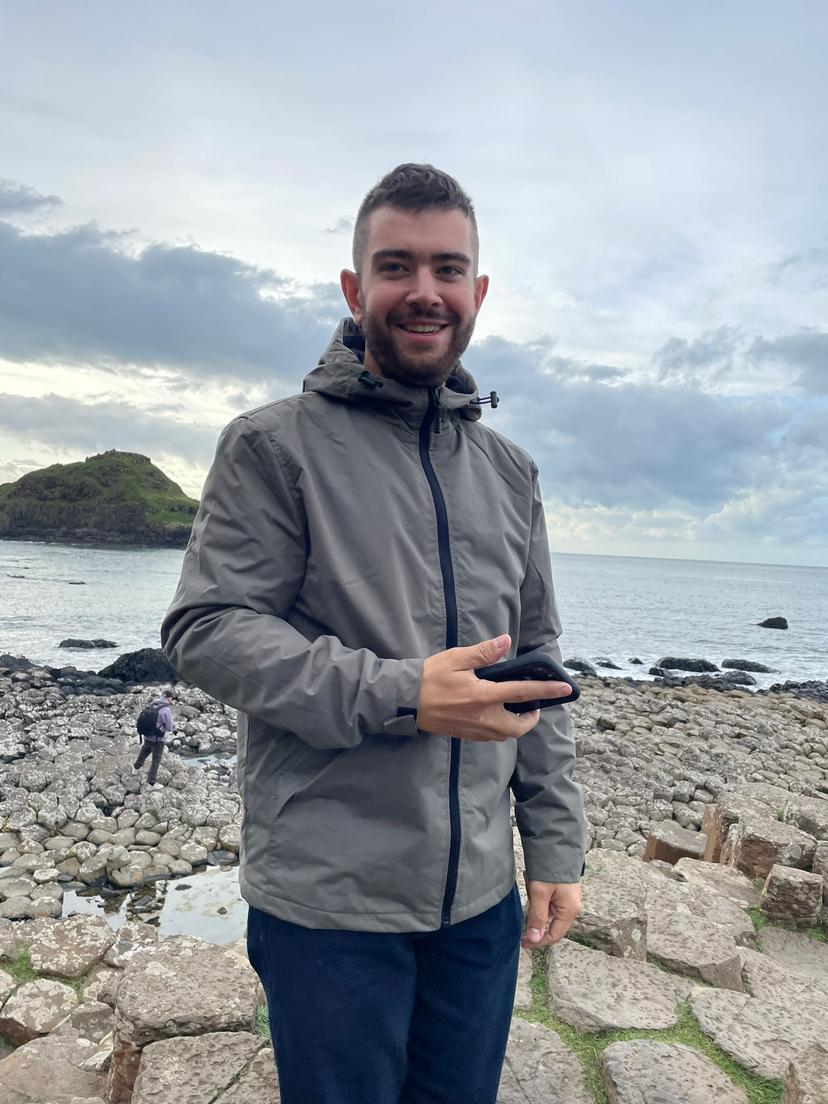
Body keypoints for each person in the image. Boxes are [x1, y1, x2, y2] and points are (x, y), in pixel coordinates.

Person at [161, 163, 586, 1104]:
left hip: (479, 902)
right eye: (396, 266)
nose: (423, 290)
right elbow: (206, 628)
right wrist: (404, 693)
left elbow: (543, 669)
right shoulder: (273, 445)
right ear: (356, 291)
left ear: (478, 293)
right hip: (328, 903)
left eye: (448, 268)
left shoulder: (510, 471)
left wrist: (554, 847)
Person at [133, 689, 175, 786]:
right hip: (158, 738)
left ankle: (136, 769)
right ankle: (151, 782)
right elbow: (169, 726)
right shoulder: (166, 709)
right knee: (156, 759)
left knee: (145, 750)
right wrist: (175, 728)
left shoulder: (154, 703)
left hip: (147, 733)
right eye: (171, 698)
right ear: (169, 698)